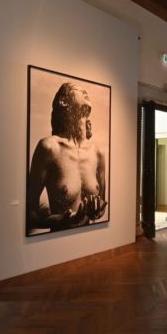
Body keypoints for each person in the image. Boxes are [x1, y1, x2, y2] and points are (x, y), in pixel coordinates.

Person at [27, 82, 107, 234]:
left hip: (91, 240)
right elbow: (30, 214)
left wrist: (97, 211)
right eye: (79, 90)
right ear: (63, 101)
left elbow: (102, 204)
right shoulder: (49, 148)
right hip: (58, 243)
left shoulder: (98, 152)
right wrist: (63, 220)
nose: (85, 91)